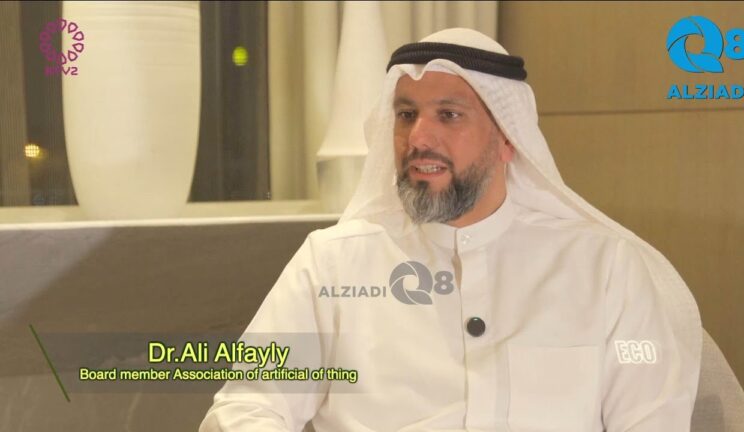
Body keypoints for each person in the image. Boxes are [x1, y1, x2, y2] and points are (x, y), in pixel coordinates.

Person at [200, 28, 702, 432]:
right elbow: (248, 406)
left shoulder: (603, 268)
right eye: (406, 115)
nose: (419, 137)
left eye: (449, 115)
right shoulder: (333, 264)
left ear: (507, 139)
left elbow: (651, 418)